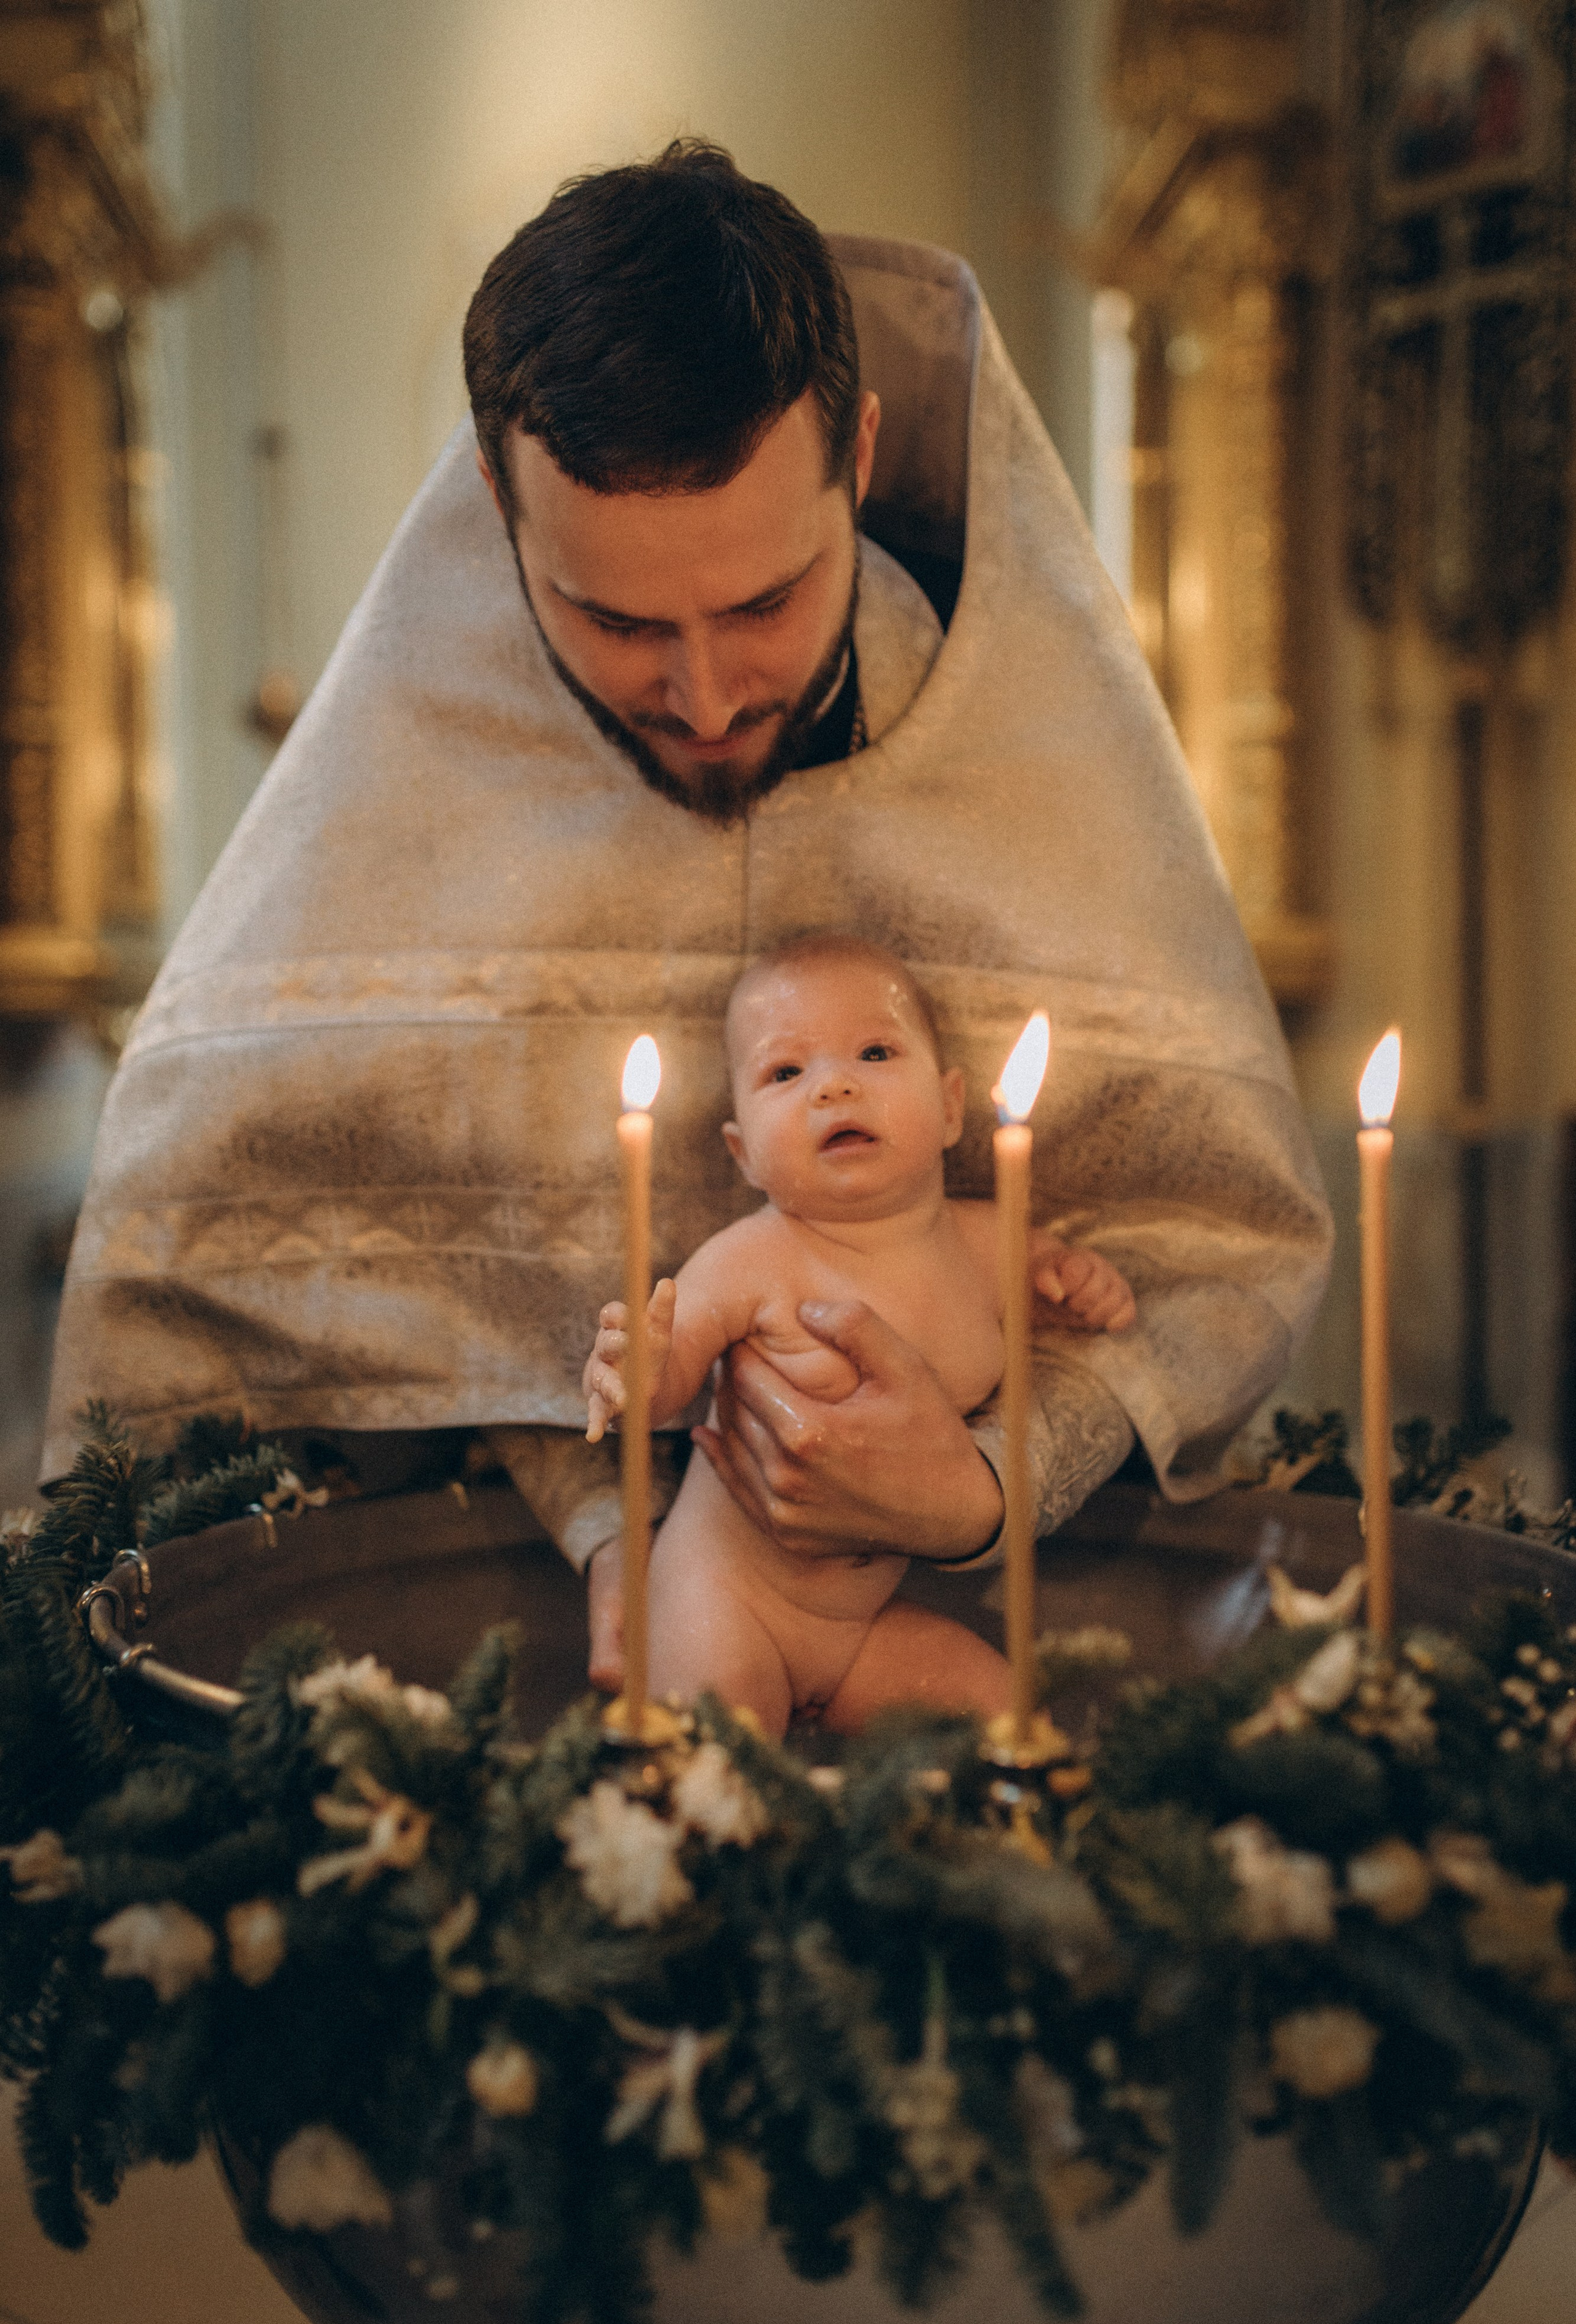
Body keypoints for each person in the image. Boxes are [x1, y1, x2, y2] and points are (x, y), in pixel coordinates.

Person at [44, 143, 1332, 1689]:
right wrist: (611, 1528)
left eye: (766, 602)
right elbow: (250, 1329)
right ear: (491, 496)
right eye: (614, 620)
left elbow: (1203, 1254)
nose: (709, 696)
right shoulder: (396, 815)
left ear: (854, 453)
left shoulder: (1040, 783)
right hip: (492, 1658)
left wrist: (987, 1478)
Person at [581, 935, 1135, 1732]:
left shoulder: (990, 1245)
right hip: (724, 1604)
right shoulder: (752, 1260)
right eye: (785, 1072)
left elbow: (1056, 1299)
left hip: (862, 1629)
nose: (834, 1086)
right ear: (743, 1156)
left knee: (1005, 1714)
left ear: (950, 1108)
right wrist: (636, 1370)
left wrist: (1078, 1280)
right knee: (713, 1769)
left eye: (874, 1052)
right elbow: (672, 1369)